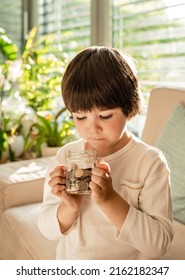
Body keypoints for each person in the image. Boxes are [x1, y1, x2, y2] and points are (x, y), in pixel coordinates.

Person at [38, 46, 174, 260]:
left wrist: (109, 199)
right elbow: (47, 230)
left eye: (105, 115)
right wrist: (69, 207)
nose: (92, 129)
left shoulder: (149, 162)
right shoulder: (66, 157)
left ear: (130, 108)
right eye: (80, 117)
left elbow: (158, 245)